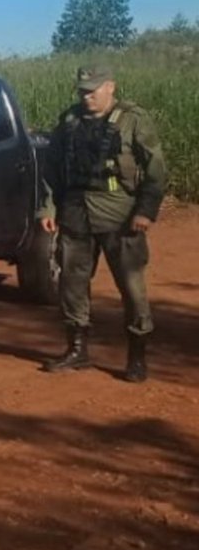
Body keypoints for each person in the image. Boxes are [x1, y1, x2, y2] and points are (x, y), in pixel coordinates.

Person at [38, 65, 167, 382]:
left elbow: (156, 170)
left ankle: (137, 356)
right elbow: (52, 168)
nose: (87, 96)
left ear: (111, 86)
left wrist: (145, 211)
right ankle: (77, 350)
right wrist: (48, 208)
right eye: (82, 90)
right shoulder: (68, 121)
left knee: (131, 286)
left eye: (93, 89)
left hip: (119, 214)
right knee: (72, 282)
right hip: (75, 212)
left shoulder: (133, 119)